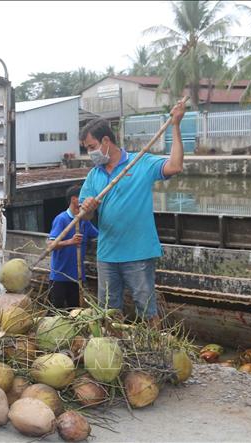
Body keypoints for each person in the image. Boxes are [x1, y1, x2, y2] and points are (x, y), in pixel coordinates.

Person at [79, 102, 186, 328]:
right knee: (108, 311)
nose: (90, 153)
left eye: (91, 147)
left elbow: (175, 166)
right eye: (87, 149)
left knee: (147, 308)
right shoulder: (93, 176)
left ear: (106, 141)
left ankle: (157, 349)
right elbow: (84, 217)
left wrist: (176, 125)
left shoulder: (140, 163)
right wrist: (87, 210)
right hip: (107, 255)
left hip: (138, 253)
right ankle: (111, 352)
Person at [47, 185, 99, 309]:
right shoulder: (62, 219)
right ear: (74, 199)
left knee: (75, 312)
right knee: (55, 312)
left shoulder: (84, 221)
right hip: (60, 276)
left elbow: (98, 236)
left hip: (77, 277)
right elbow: (50, 245)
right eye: (82, 198)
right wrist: (69, 242)